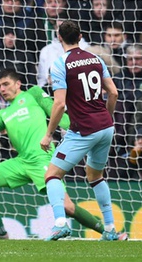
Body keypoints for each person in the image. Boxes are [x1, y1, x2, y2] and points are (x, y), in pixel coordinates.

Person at [0, 69, 121, 240]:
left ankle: (108, 233)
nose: (2, 89)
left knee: (68, 207)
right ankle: (0, 231)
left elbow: (54, 110)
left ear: (18, 83)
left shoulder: (33, 94)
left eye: (6, 84)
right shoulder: (4, 113)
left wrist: (78, 127)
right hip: (21, 162)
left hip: (43, 158)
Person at [39, 20, 125, 241]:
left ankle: (60, 223)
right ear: (81, 36)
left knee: (52, 175)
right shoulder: (96, 59)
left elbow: (59, 104)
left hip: (83, 129)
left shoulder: (60, 64)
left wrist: (48, 134)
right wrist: (106, 117)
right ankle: (110, 229)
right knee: (95, 176)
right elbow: (113, 93)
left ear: (59, 38)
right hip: (105, 126)